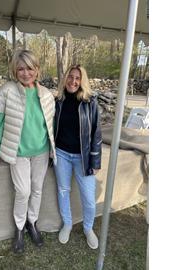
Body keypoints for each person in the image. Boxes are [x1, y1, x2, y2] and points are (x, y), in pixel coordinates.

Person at [0, 50, 56, 254]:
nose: (25, 73)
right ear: (15, 71)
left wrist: (52, 149)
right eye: (21, 69)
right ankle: (19, 228)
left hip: (41, 152)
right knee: (23, 191)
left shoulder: (47, 95)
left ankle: (32, 223)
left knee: (37, 189)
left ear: (37, 70)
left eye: (30, 68)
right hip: (18, 153)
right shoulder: (6, 91)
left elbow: (51, 125)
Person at [53, 64, 102, 249]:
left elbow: (96, 133)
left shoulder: (90, 102)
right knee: (63, 191)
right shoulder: (58, 100)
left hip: (83, 157)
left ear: (82, 81)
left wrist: (95, 160)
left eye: (77, 78)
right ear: (65, 78)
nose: (73, 81)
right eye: (70, 77)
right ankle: (67, 223)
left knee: (89, 198)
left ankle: (88, 228)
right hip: (61, 154)